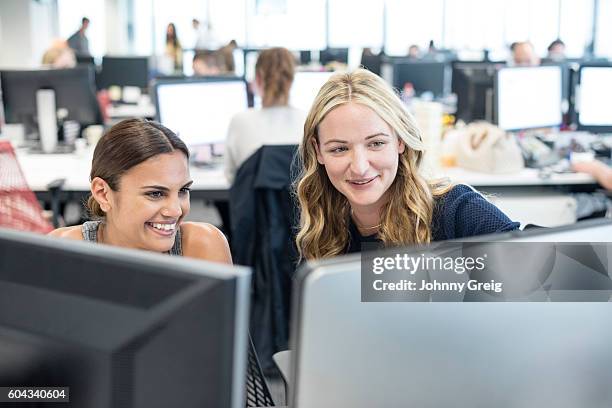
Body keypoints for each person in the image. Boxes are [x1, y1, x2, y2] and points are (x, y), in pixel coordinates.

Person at [294, 69, 520, 260]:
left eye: (376, 143)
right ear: (318, 151)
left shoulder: (456, 212)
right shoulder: (321, 231)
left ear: (400, 141)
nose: (360, 167)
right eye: (339, 149)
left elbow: (546, 278)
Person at [49, 118, 231, 263]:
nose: (176, 210)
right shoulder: (62, 253)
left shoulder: (204, 248)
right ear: (103, 194)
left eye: (183, 190)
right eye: (155, 194)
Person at [224, 47, 307, 183]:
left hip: (251, 204)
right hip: (302, 204)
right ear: (291, 80)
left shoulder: (240, 121)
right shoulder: (308, 121)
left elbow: (231, 177)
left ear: (258, 78)